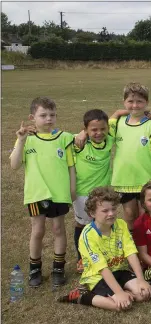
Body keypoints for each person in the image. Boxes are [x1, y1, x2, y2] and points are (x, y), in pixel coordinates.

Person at [10, 96, 76, 287]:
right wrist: (21, 141)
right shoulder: (26, 139)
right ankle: (35, 269)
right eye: (43, 115)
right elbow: (14, 165)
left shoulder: (64, 138)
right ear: (32, 117)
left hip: (59, 193)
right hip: (36, 193)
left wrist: (72, 188)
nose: (48, 119)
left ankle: (58, 269)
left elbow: (71, 166)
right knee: (37, 231)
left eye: (52, 115)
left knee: (58, 229)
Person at [57, 186, 151, 311]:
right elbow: (102, 268)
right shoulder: (87, 236)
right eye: (105, 211)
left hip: (120, 270)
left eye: (113, 209)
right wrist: (119, 293)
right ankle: (82, 296)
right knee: (121, 306)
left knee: (144, 294)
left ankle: (123, 292)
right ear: (92, 213)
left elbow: (131, 253)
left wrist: (141, 280)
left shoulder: (121, 225)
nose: (111, 213)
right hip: (98, 277)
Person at [109, 83, 151, 232]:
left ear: (146, 103)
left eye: (140, 101)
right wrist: (116, 114)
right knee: (129, 215)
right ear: (124, 102)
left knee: (144, 216)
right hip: (124, 180)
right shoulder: (118, 123)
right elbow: (100, 132)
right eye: (130, 101)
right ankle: (133, 247)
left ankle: (146, 248)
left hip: (145, 181)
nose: (135, 105)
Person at [71, 109, 113, 274]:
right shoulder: (79, 143)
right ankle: (81, 258)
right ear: (86, 129)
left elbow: (117, 114)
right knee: (83, 224)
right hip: (83, 193)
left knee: (103, 223)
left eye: (102, 129)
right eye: (93, 130)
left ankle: (103, 256)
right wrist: (81, 134)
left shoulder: (109, 139)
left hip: (103, 193)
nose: (99, 133)